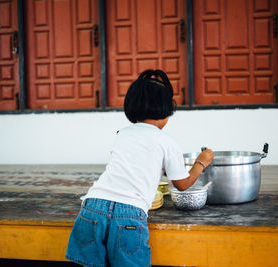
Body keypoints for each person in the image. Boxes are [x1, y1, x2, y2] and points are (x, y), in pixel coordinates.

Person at [65, 69, 214, 267]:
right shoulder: (167, 142)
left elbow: (133, 164)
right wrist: (201, 162)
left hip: (92, 207)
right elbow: (182, 184)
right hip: (128, 214)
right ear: (166, 111)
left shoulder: (122, 134)